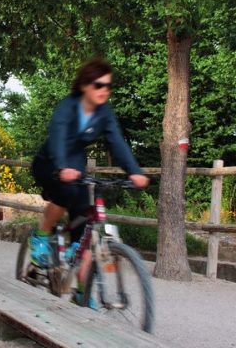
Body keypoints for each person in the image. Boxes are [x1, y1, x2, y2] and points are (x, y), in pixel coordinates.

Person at [30, 58, 149, 306]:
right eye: (98, 84)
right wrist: (62, 166)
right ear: (85, 85)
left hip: (76, 167)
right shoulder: (68, 106)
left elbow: (116, 142)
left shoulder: (103, 113)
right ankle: (40, 237)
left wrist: (134, 171)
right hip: (50, 162)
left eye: (108, 85)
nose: (104, 90)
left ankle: (81, 293)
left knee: (84, 226)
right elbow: (58, 137)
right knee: (64, 194)